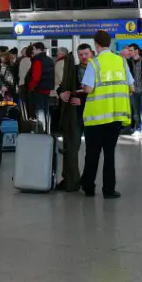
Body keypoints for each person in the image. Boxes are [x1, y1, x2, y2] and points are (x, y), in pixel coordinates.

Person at [81, 31, 133, 198]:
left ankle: (89, 188)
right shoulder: (121, 61)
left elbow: (88, 88)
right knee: (109, 155)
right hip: (116, 117)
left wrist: (83, 87)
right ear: (109, 43)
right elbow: (131, 87)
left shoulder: (94, 63)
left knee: (92, 154)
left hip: (96, 117)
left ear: (96, 44)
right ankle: (109, 190)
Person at [56, 47, 84, 192]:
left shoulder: (94, 68)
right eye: (81, 54)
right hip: (76, 115)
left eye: (86, 54)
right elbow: (61, 87)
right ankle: (72, 180)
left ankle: (81, 181)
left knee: (86, 151)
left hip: (91, 116)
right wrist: (61, 93)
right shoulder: (72, 69)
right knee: (71, 148)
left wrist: (83, 100)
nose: (83, 57)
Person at [25, 42, 55, 133]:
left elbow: (35, 77)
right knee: (46, 112)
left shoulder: (38, 60)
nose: (33, 51)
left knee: (40, 112)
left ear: (38, 49)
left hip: (38, 89)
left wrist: (31, 87)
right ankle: (47, 131)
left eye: (34, 49)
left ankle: (41, 131)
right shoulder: (49, 60)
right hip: (47, 89)